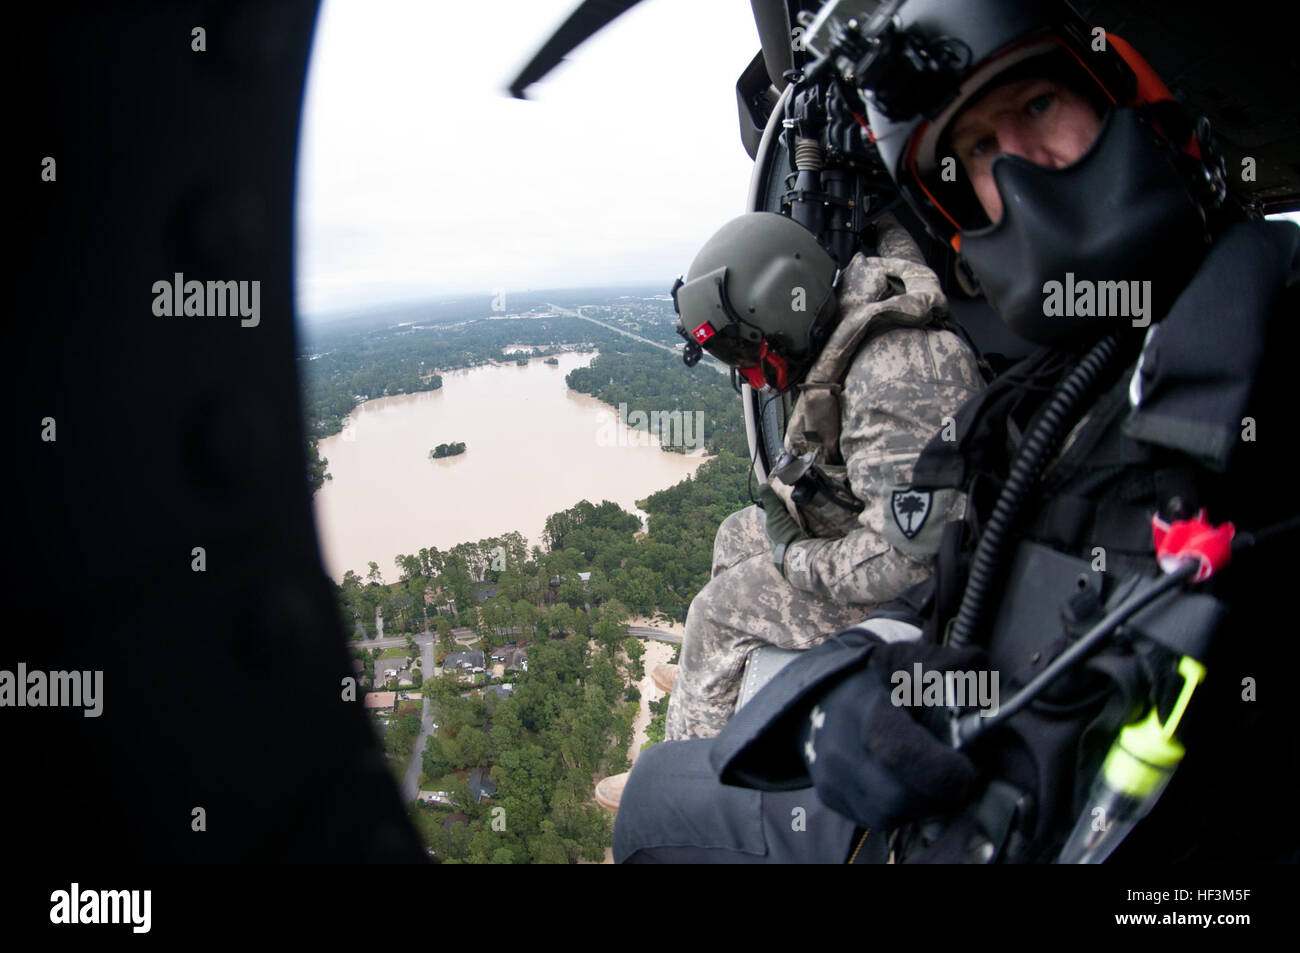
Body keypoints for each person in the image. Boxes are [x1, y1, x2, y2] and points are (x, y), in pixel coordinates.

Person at [615, 0, 1299, 863]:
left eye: (1040, 104)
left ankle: (705, 728)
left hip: (1027, 805)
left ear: (1126, 100)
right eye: (979, 149)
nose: (1022, 172)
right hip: (979, 743)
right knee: (733, 545)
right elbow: (960, 560)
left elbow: (905, 559)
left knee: (651, 804)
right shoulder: (1058, 389)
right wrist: (885, 677)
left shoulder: (1245, 349)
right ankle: (713, 702)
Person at [594, 207, 985, 812]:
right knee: (734, 535)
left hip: (932, 594)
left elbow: (907, 562)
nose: (752, 375)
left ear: (783, 307)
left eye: (751, 354)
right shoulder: (854, 307)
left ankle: (678, 785)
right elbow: (898, 240)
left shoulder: (897, 374)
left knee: (718, 610)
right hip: (884, 531)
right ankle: (711, 686)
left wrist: (795, 556)